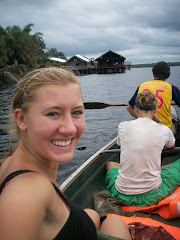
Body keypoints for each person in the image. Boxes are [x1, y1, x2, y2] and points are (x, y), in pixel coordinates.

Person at [0, 67, 131, 240]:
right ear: (22, 119)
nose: (70, 128)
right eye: (53, 113)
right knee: (114, 222)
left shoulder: (10, 161)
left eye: (77, 112)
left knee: (91, 214)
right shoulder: (25, 195)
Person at [106, 91, 180, 207]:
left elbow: (119, 144)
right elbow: (171, 146)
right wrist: (161, 124)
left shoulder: (123, 126)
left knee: (110, 164)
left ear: (135, 109)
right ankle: (157, 170)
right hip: (152, 195)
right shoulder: (163, 130)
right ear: (155, 110)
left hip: (121, 194)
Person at [127, 61, 180, 134]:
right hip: (165, 129)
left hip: (145, 128)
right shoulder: (171, 88)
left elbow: (129, 107)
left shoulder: (142, 86)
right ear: (168, 76)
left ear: (153, 73)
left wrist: (142, 120)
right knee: (172, 109)